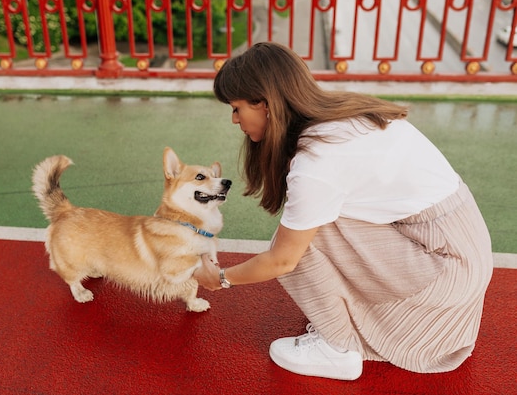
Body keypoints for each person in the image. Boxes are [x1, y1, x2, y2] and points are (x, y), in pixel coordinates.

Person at [193, 42, 493, 381]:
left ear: (264, 103)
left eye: (236, 108)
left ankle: (337, 349)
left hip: (445, 270)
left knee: (302, 239)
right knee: (309, 223)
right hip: (460, 250)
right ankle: (344, 334)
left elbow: (282, 261)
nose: (235, 120)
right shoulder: (342, 115)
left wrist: (219, 278)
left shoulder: (318, 159)